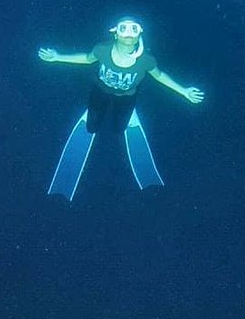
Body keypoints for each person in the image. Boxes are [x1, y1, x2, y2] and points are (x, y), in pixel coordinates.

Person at [38, 18, 204, 200]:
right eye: (124, 29)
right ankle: (95, 118)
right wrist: (57, 57)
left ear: (139, 35)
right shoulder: (102, 49)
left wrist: (184, 91)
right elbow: (86, 59)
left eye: (134, 30)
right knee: (91, 127)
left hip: (126, 98)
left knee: (118, 129)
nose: (129, 33)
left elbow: (160, 76)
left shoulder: (146, 60)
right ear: (115, 33)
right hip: (99, 92)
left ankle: (129, 117)